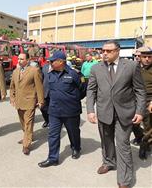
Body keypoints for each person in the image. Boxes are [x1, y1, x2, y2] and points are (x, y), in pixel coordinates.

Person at [86, 40, 146, 188]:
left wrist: (139, 111)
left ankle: (124, 180)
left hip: (125, 113)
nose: (104, 53)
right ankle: (108, 162)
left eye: (109, 51)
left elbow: (140, 91)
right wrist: (90, 110)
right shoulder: (96, 68)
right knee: (106, 142)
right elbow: (91, 90)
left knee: (123, 145)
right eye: (103, 50)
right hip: (104, 112)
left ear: (117, 51)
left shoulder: (131, 66)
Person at [38, 51, 87, 168]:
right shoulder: (50, 74)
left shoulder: (74, 74)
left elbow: (83, 90)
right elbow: (47, 90)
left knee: (73, 132)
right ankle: (52, 158)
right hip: (54, 111)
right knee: (52, 135)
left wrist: (73, 100)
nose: (50, 63)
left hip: (71, 110)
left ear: (61, 62)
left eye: (52, 61)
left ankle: (76, 148)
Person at [10, 53, 44, 155]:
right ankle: (27, 136)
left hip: (30, 100)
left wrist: (41, 100)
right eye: (18, 59)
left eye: (21, 59)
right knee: (23, 122)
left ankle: (26, 144)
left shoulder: (34, 70)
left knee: (28, 122)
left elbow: (39, 87)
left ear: (28, 60)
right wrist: (12, 98)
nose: (19, 61)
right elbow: (12, 86)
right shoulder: (16, 71)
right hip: (19, 101)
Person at [137, 46, 152, 159]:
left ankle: (144, 145)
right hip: (135, 100)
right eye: (144, 56)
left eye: (149, 57)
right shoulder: (135, 68)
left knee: (148, 125)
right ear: (140, 57)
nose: (147, 59)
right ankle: (140, 137)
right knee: (133, 123)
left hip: (149, 101)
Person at [40, 60, 51, 128]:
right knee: (43, 108)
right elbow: (41, 78)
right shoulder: (44, 67)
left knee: (53, 109)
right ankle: (47, 120)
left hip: (54, 92)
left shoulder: (59, 67)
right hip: (45, 91)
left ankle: (52, 122)